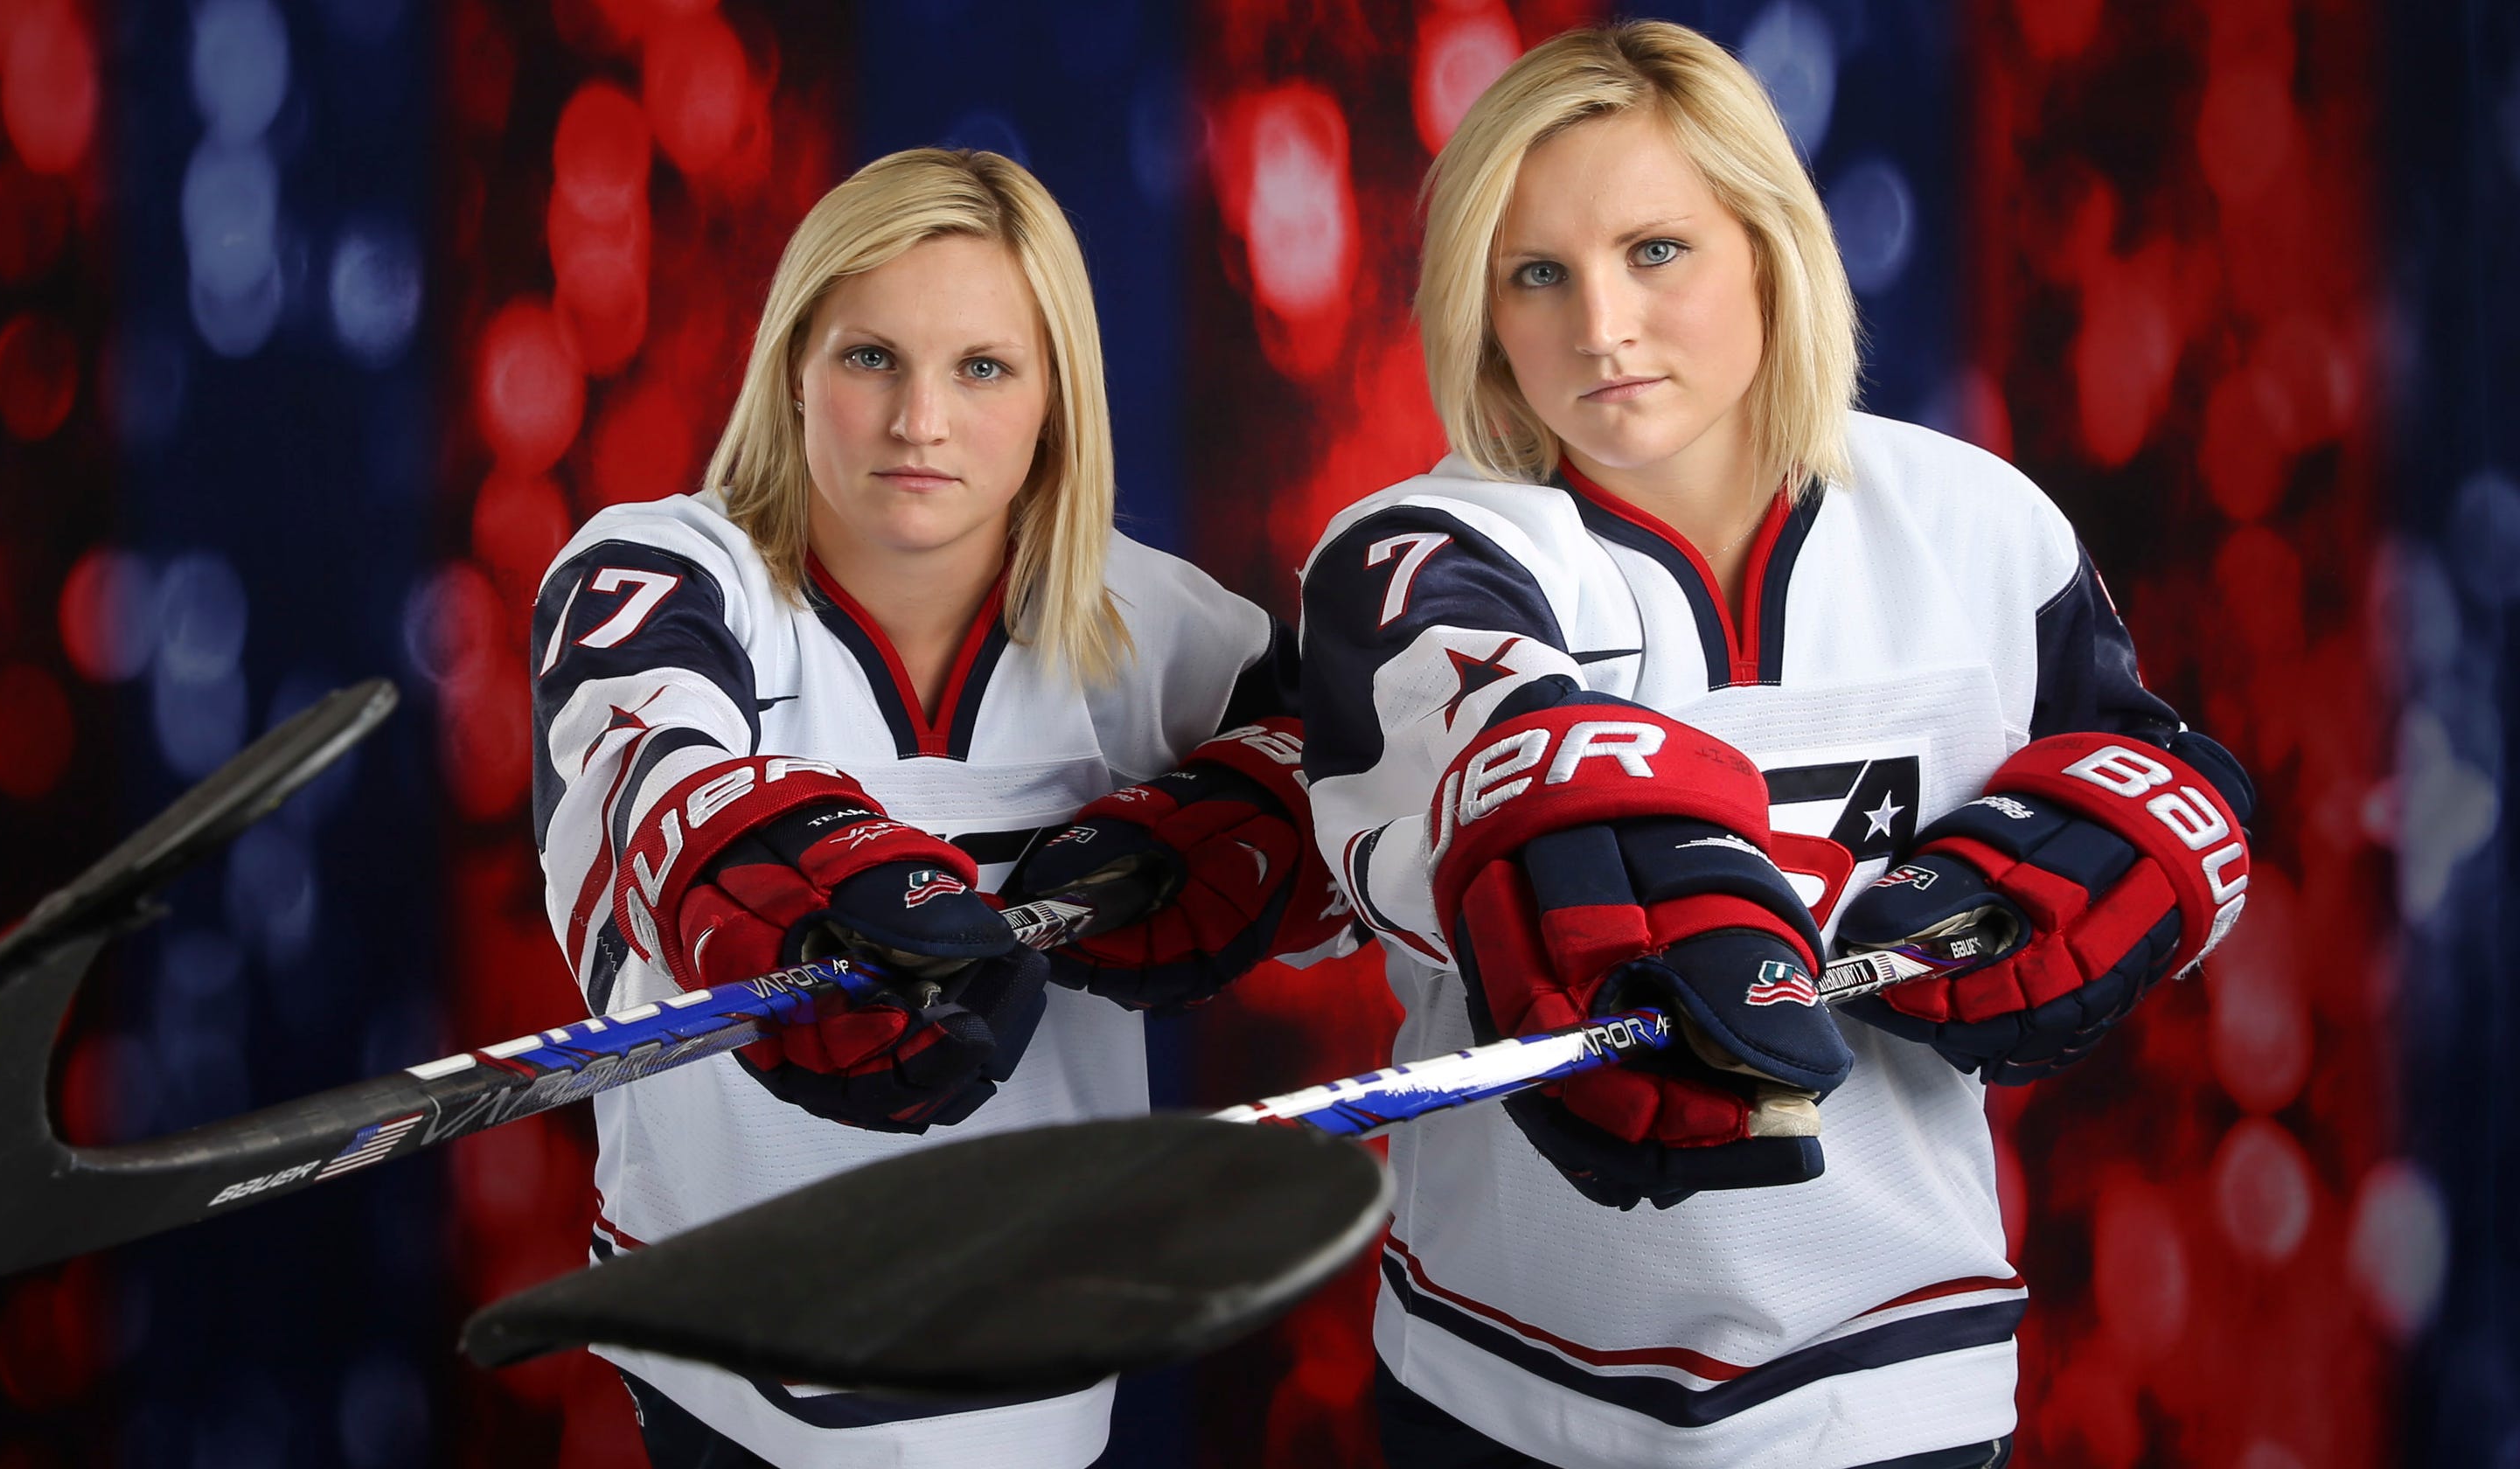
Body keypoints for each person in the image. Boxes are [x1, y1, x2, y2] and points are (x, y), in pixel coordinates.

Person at [1296, 22, 2252, 1469]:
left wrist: (2137, 860)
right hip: (1510, 1389)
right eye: (1536, 272)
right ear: (1479, 307)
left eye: (1656, 252)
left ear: (1768, 244)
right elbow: (1484, 740)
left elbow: (2159, 786)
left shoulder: (1978, 524)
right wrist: (1582, 878)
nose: (1599, 326)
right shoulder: (1424, 549)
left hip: (1901, 1380)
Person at [529, 147, 1351, 1468]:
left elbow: (1374, 826)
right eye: (871, 359)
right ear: (794, 365)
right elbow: (653, 778)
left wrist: (1249, 828)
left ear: (1053, 400)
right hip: (728, 1349)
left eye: (982, 368)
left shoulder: (1158, 625)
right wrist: (802, 884)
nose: (922, 420)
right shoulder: (663, 572)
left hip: (1036, 1361)